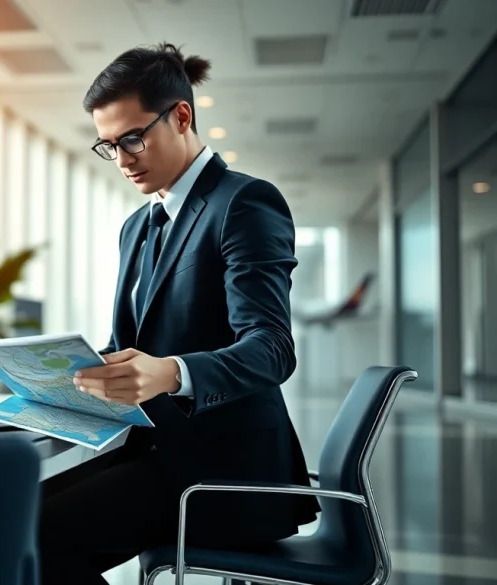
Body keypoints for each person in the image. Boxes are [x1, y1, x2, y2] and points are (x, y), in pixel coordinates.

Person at [38, 43, 320, 585]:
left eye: (132, 138)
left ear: (182, 117)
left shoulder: (244, 203)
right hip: (156, 449)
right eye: (109, 146)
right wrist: (63, 376)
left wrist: (170, 372)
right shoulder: (137, 226)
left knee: (38, 532)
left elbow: (271, 348)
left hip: (224, 471)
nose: (123, 159)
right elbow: (129, 342)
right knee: (11, 509)